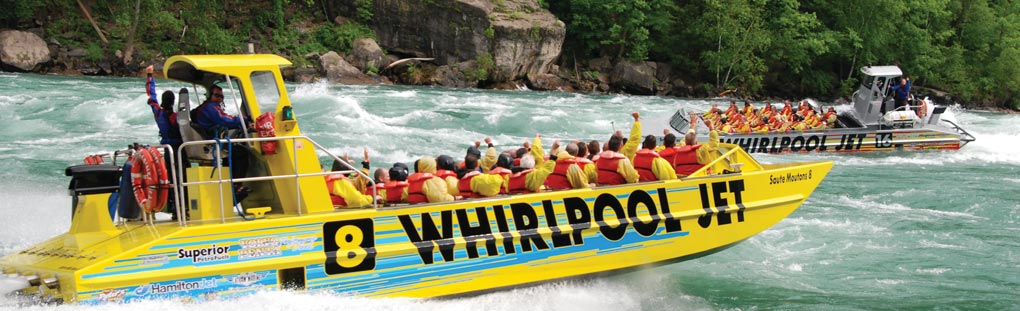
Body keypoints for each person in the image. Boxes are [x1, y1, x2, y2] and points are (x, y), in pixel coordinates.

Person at [144, 65, 186, 217]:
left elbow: (151, 95)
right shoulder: (175, 117)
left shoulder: (158, 113)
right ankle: (182, 208)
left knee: (171, 177)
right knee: (183, 178)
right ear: (173, 101)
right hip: (178, 149)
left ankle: (174, 207)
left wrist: (150, 76)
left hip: (167, 150)